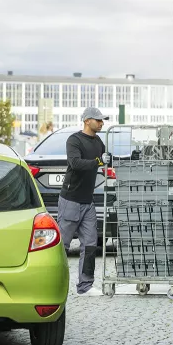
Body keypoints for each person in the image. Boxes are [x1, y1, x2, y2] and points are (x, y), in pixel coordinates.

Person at [58, 107, 108, 296]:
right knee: (62, 246)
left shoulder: (99, 142)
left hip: (88, 201)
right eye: (98, 120)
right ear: (87, 120)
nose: (101, 123)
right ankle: (55, 284)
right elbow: (75, 163)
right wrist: (99, 161)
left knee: (90, 244)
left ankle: (85, 287)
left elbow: (104, 161)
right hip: (70, 200)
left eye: (102, 120)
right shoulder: (74, 140)